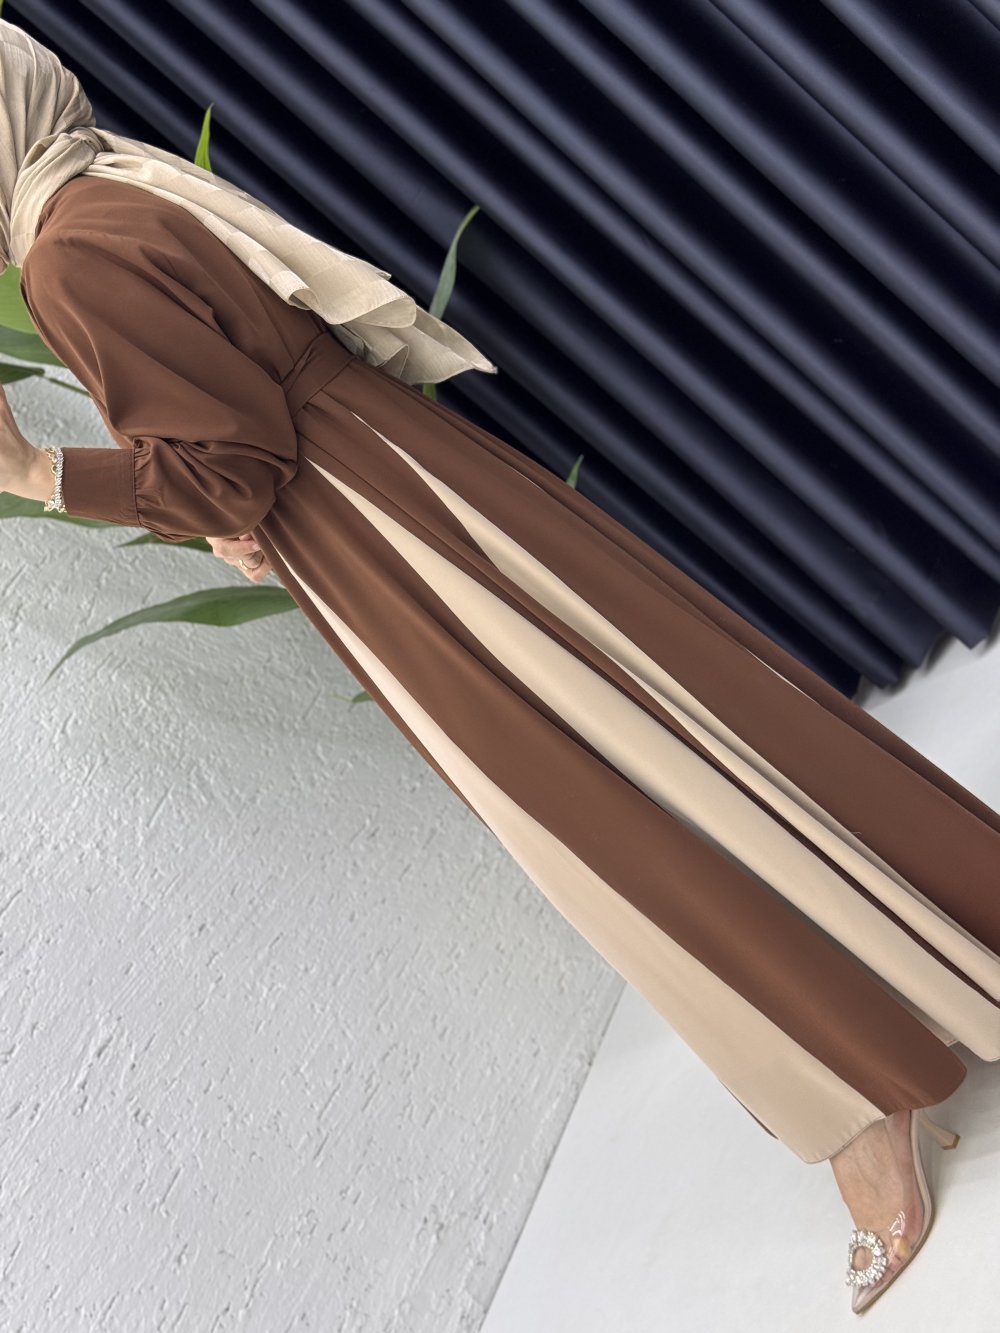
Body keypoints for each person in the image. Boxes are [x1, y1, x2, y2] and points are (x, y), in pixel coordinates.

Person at [0, 18, 997, 1317]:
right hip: (421, 488)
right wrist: (225, 494)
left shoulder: (67, 251)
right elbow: (250, 401)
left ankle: (862, 1103)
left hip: (389, 551)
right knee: (694, 719)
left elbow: (230, 464)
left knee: (606, 827)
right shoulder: (109, 181)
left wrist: (39, 473)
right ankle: (949, 945)